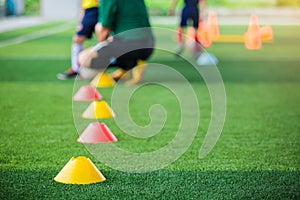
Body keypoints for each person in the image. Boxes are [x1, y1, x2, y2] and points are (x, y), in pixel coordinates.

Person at [78, 0, 154, 85]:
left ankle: (132, 64)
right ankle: (128, 68)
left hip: (129, 45)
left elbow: (104, 29)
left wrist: (99, 49)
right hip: (148, 46)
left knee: (84, 58)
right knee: (113, 39)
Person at [57, 0, 99, 80]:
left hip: (97, 8)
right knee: (78, 39)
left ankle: (117, 69)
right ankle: (76, 69)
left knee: (104, 38)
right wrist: (82, 14)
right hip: (89, 10)